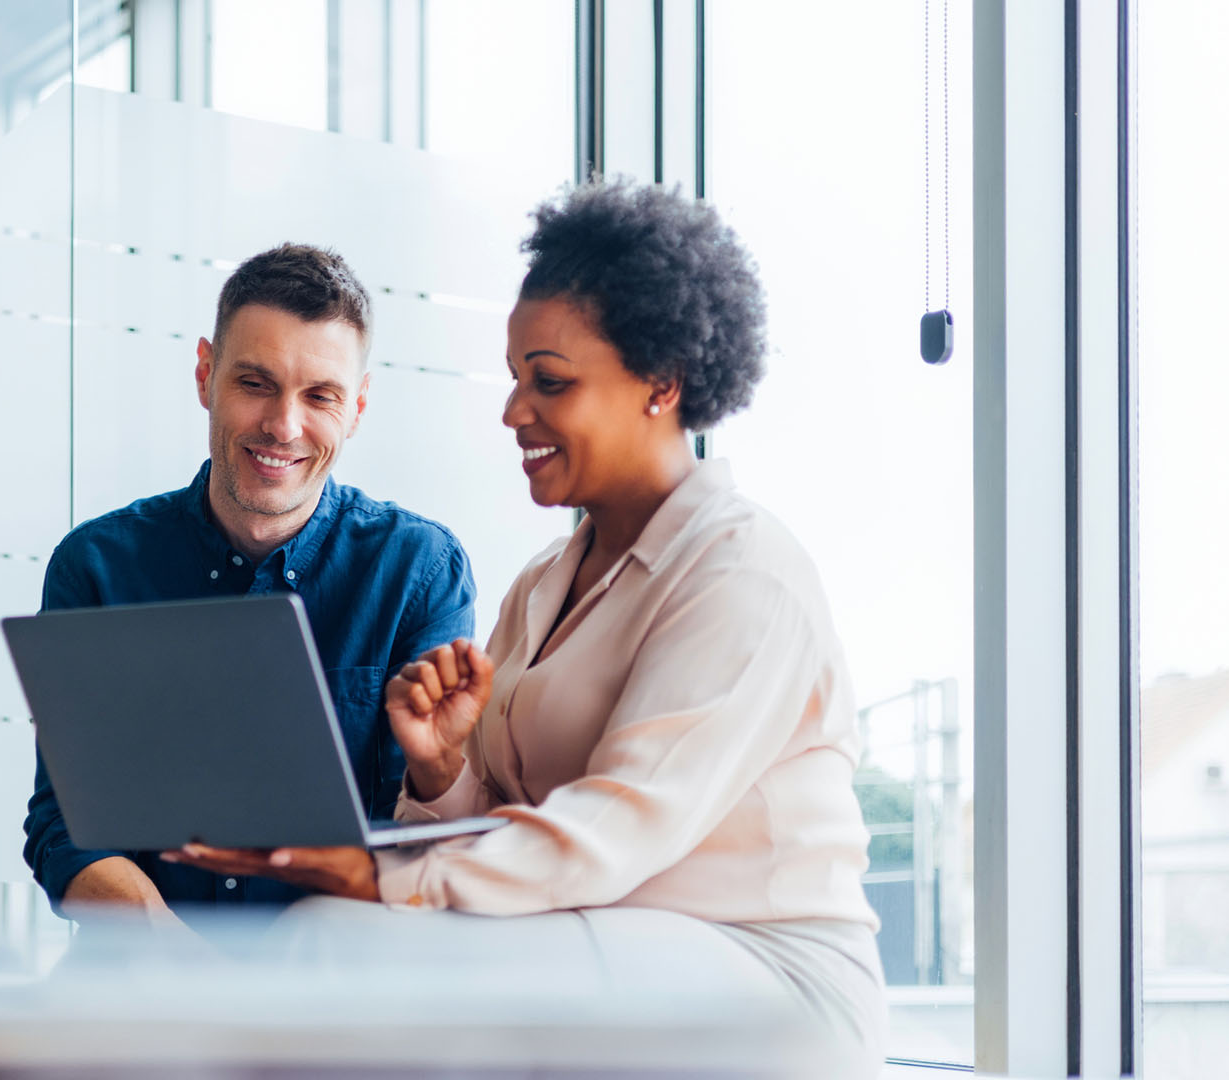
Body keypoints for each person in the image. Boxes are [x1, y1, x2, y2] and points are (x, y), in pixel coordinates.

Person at [166, 182, 886, 1066]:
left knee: (339, 941)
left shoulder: (745, 575)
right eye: (515, 380)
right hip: (607, 937)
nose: (514, 412)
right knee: (335, 936)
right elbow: (503, 816)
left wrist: (380, 874)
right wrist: (439, 769)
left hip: (764, 975)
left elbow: (616, 826)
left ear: (662, 383)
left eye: (550, 382)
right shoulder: (546, 581)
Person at [23, 243, 477, 934]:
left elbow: (426, 846)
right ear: (205, 374)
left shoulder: (419, 571)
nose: (283, 426)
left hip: (340, 987)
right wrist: (164, 948)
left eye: (320, 396)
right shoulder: (96, 567)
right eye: (255, 383)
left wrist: (442, 766)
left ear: (356, 406)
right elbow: (64, 825)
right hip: (141, 986)